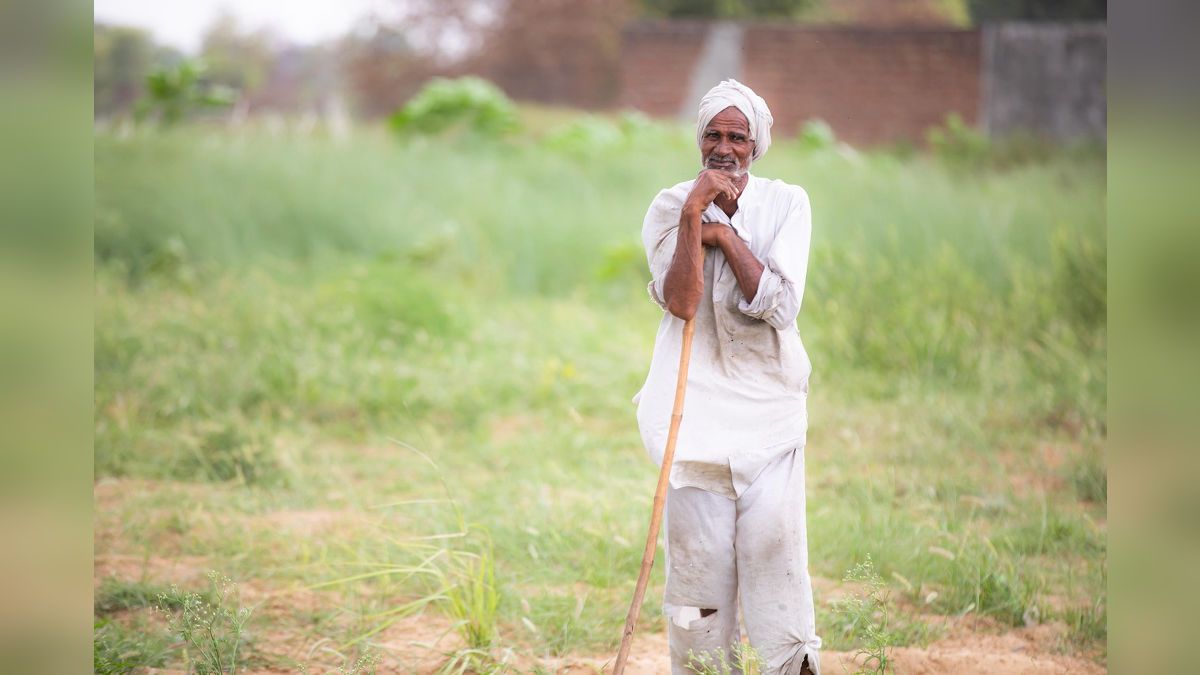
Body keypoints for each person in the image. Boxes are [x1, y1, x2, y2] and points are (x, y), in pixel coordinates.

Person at [633, 79, 821, 675]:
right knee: (697, 586)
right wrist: (696, 216)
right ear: (699, 141)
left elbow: (779, 306)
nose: (723, 149)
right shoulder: (670, 206)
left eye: (737, 138)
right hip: (692, 418)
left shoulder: (787, 203)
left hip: (770, 415)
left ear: (755, 146)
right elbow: (681, 302)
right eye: (712, 135)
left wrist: (727, 236)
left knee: (777, 563)